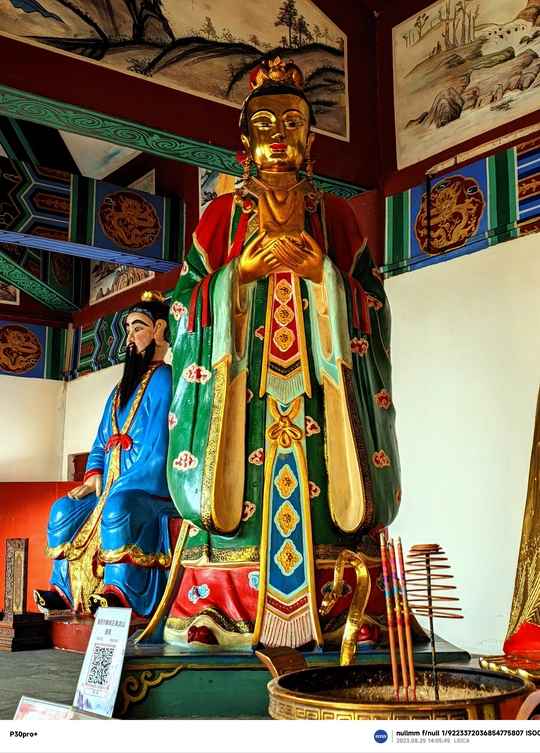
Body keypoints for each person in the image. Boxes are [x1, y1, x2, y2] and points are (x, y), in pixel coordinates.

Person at [164, 58, 401, 650]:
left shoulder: (335, 214)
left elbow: (375, 306)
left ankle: (344, 603)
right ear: (244, 139)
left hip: (322, 396)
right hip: (241, 395)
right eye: (264, 124)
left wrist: (324, 276)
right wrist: (236, 276)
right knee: (237, 492)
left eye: (292, 123)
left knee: (331, 489)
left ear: (310, 140)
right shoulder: (221, 216)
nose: (278, 135)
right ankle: (223, 604)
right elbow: (182, 304)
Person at [34, 291, 178, 617]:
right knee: (63, 509)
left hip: (144, 489)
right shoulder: (118, 390)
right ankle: (63, 591)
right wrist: (93, 475)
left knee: (118, 508)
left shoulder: (164, 379)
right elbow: (101, 440)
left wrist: (124, 484)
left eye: (138, 328)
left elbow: (159, 447)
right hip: (108, 486)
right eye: (128, 330)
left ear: (158, 330)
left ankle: (120, 592)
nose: (130, 338)